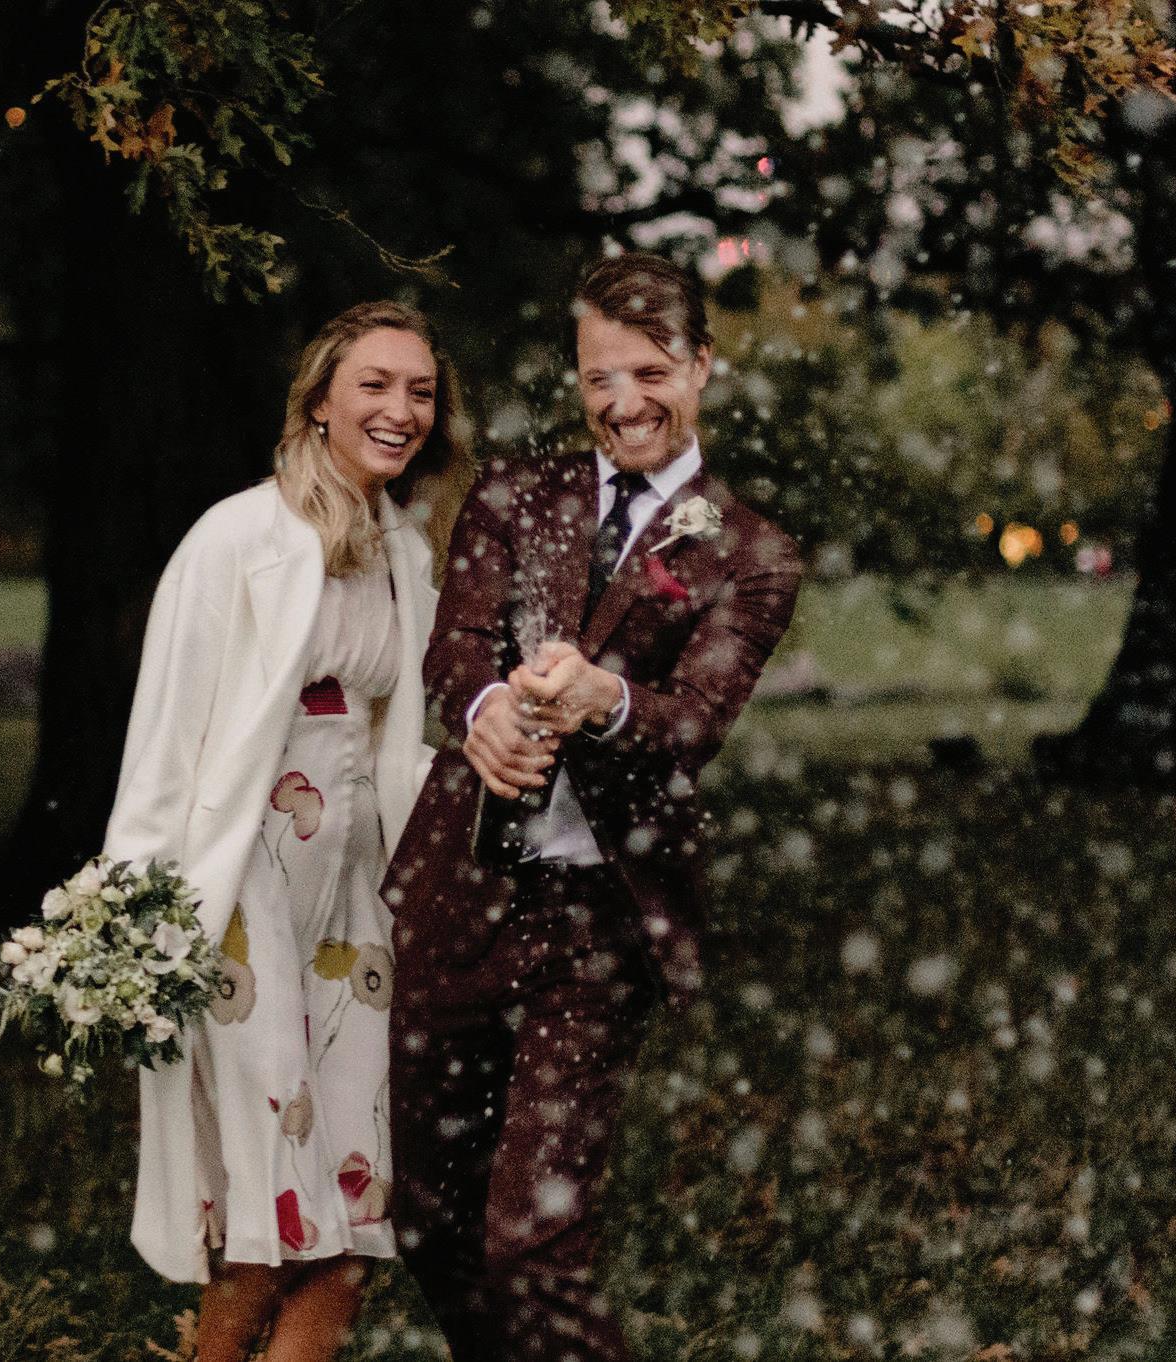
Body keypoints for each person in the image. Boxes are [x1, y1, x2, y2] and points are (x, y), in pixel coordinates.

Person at [386, 251, 803, 1362]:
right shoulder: (515, 495)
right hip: (461, 891)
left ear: (703, 366)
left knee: (534, 1246)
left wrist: (603, 699)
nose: (623, 403)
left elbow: (695, 721)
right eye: (598, 378)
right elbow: (455, 647)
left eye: (650, 373)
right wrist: (482, 708)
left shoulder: (750, 551)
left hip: (601, 919)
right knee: (428, 1220)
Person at [101, 301, 472, 1362]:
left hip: (354, 888)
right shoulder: (238, 539)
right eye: (375, 385)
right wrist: (130, 906)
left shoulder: (405, 550)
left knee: (354, 1214)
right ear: (319, 402)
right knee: (270, 1214)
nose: (401, 409)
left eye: (420, 391)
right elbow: (166, 734)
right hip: (244, 889)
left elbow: (406, 735)